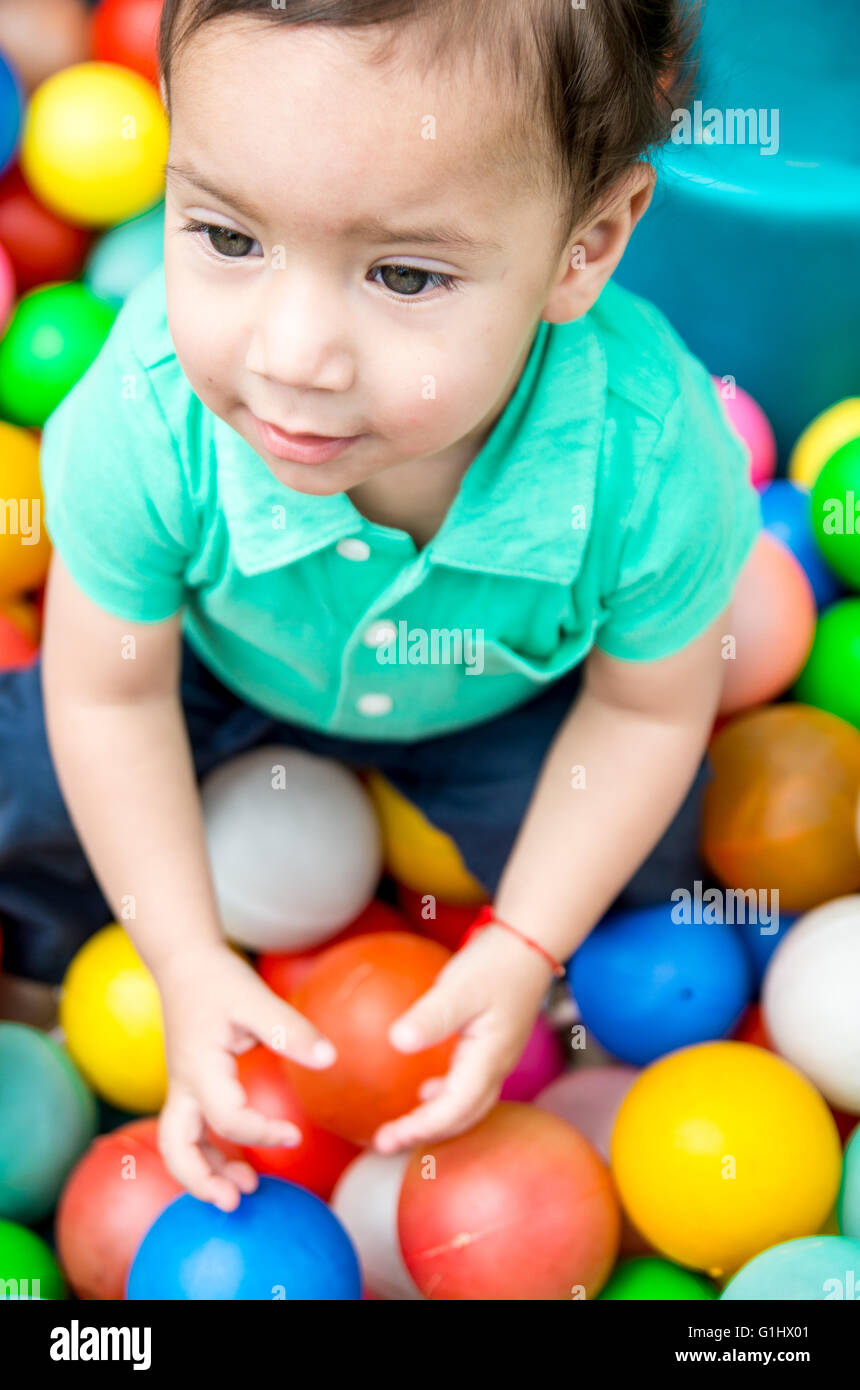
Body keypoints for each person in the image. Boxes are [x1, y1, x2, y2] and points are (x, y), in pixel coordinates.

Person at [1, 0, 760, 1209]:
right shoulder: (141, 420)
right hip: (209, 664)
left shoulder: (654, 460)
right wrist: (183, 961)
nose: (292, 353)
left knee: (653, 862)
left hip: (498, 701)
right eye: (227, 237)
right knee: (25, 785)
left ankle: (562, 1021)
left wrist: (522, 943)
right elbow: (110, 688)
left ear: (587, 244)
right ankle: (39, 981)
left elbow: (644, 716)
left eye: (404, 272)